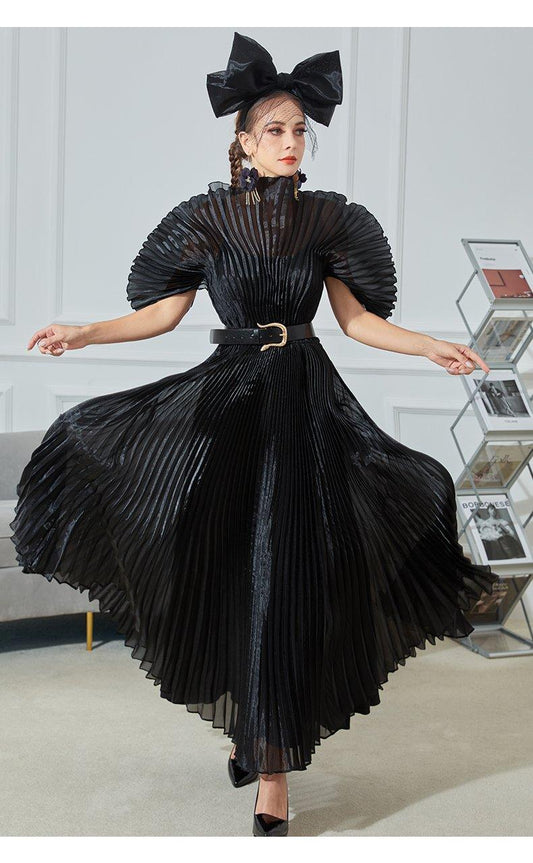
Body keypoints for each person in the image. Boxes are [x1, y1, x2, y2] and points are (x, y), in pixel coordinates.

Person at [10, 32, 498, 838]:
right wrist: (84, 332)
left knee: (285, 573)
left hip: (304, 404)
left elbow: (357, 321)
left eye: (300, 129)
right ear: (241, 140)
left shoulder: (330, 218)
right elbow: (163, 312)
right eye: (274, 129)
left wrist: (429, 346)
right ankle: (251, 727)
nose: (291, 141)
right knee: (232, 571)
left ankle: (272, 768)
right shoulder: (204, 219)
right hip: (227, 403)